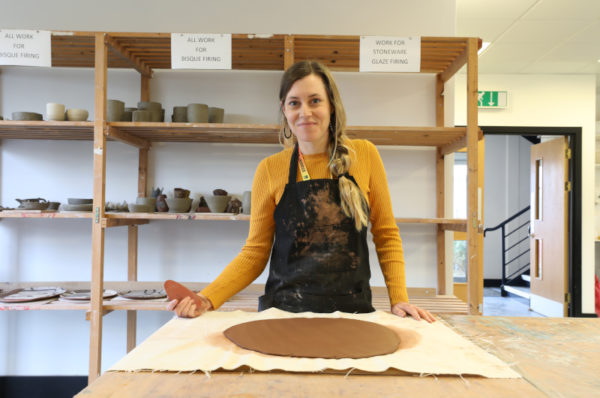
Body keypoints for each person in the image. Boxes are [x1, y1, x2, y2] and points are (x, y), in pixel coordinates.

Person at [167, 60, 435, 323]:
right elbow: (254, 253)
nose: (305, 112)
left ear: (332, 105)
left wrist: (399, 299)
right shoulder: (270, 169)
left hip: (351, 313)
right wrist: (207, 298)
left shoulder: (364, 155)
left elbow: (387, 235)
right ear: (284, 110)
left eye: (315, 100)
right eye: (294, 102)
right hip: (283, 315)